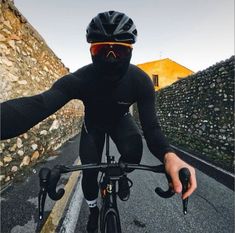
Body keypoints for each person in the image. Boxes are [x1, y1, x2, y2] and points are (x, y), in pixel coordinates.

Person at [1, 11, 197, 233]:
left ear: (131, 52)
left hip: (121, 122)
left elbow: (151, 128)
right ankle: (93, 210)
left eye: (120, 50)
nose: (111, 57)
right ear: (91, 51)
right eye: (102, 49)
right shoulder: (80, 79)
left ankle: (121, 177)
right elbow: (39, 105)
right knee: (90, 175)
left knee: (133, 152)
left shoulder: (140, 81)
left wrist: (169, 155)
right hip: (93, 125)